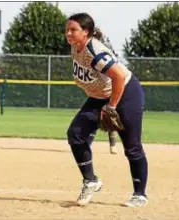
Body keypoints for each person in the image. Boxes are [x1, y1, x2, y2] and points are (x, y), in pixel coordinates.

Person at [64, 12, 148, 208]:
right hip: (99, 98)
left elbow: (118, 76)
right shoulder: (75, 47)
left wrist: (111, 107)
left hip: (126, 94)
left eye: (73, 30)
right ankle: (91, 180)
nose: (68, 33)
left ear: (86, 32)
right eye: (67, 29)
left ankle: (139, 194)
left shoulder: (95, 52)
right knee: (75, 134)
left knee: (132, 147)